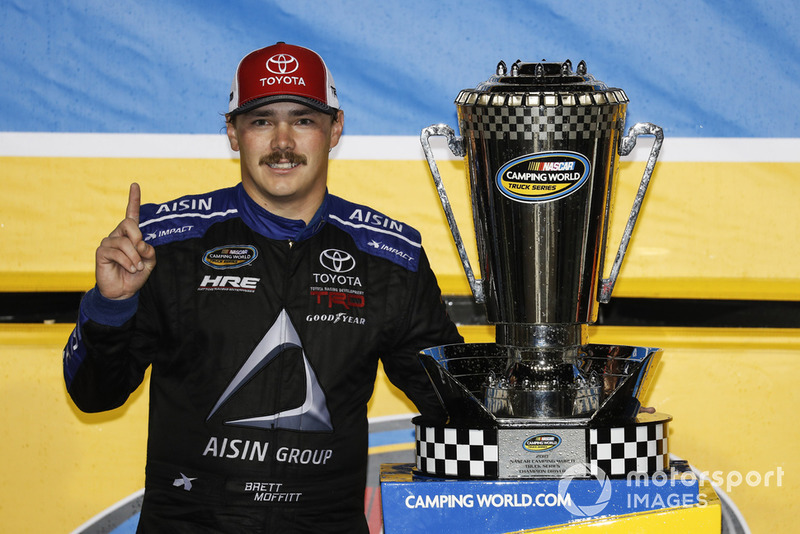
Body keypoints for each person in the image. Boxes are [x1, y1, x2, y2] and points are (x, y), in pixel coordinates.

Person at [63, 42, 462, 533]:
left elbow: (453, 406)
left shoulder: (388, 258)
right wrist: (111, 306)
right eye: (260, 121)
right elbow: (93, 394)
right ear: (232, 133)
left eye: (303, 120)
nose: (282, 142)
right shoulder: (166, 243)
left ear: (335, 129)